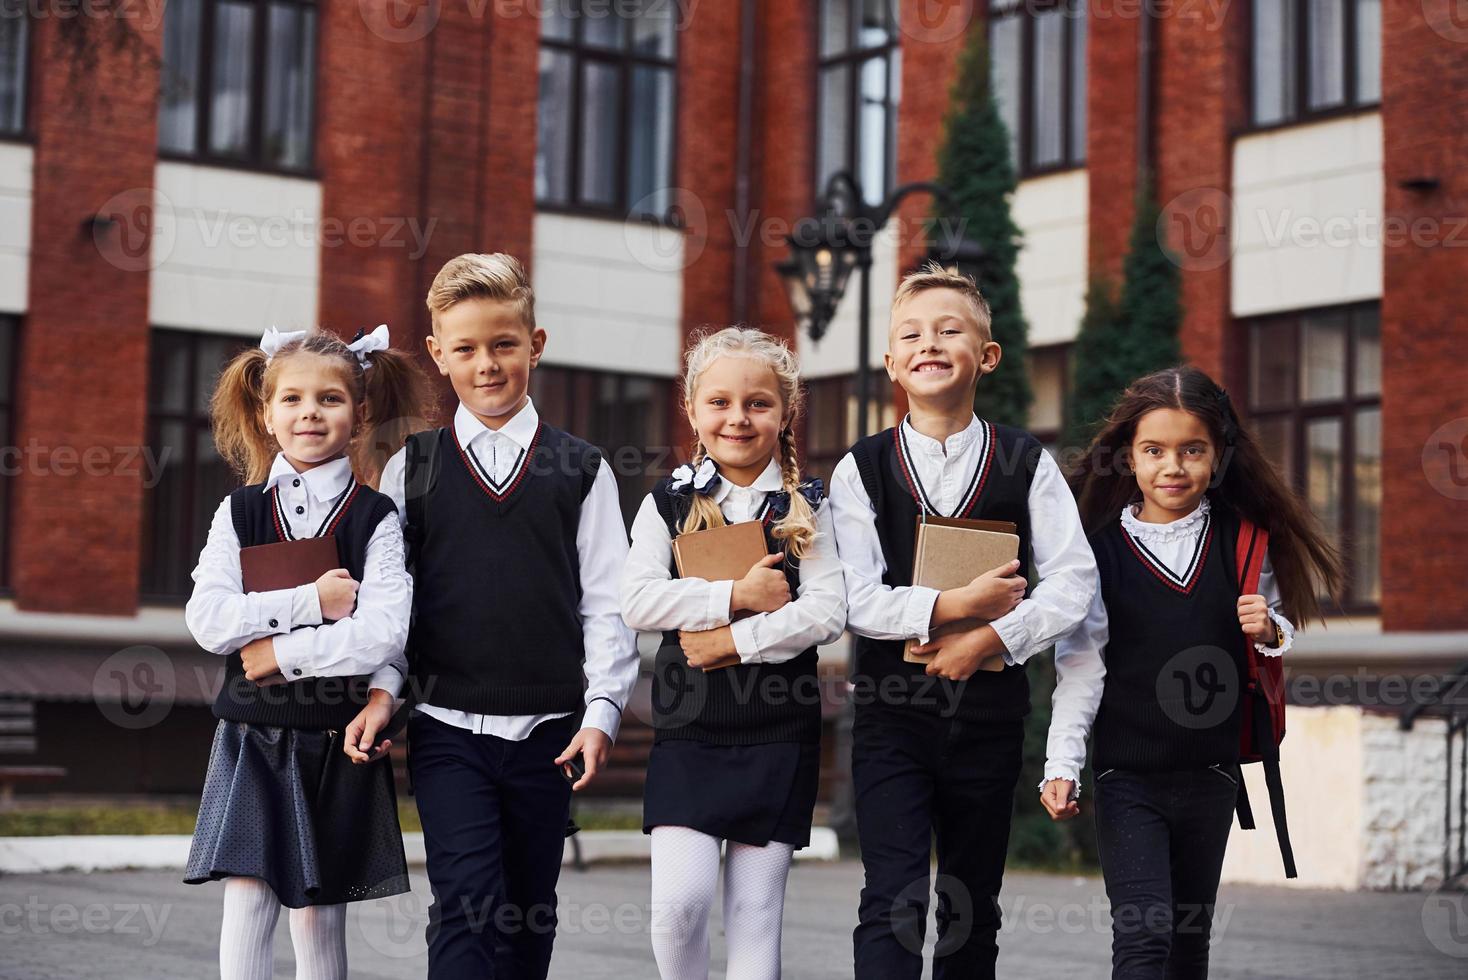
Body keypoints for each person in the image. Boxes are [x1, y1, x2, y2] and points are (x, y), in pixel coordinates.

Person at [371, 252, 639, 979]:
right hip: (447, 726)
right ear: (438, 355)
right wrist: (383, 691)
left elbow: (607, 602)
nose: (486, 364)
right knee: (464, 902)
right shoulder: (414, 469)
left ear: (536, 344)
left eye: (503, 345)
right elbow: (394, 603)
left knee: (526, 909)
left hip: (549, 732)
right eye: (465, 349)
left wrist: (601, 711)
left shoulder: (581, 468)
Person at [828, 264, 1099, 979]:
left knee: (971, 901)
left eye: (951, 330)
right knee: (893, 896)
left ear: (988, 355)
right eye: (911, 334)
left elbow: (1076, 582)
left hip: (989, 715)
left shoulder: (1025, 461)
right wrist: (956, 607)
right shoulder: (863, 470)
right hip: (892, 716)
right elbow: (852, 599)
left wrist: (993, 635)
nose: (930, 343)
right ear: (890, 362)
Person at [1064, 364, 1343, 978]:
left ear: (1218, 457)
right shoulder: (1098, 548)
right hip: (1126, 775)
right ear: (1128, 458)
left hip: (1211, 772)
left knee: (1190, 948)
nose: (1173, 466)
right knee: (1144, 942)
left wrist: (1269, 628)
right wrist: (1063, 763)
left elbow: (1275, 639)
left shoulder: (1244, 541)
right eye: (1154, 450)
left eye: (1193, 450)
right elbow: (1080, 663)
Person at [183, 325, 433, 980]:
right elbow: (209, 623)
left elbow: (384, 633)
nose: (309, 413)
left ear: (360, 413)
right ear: (266, 414)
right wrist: (310, 602)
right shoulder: (236, 512)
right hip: (254, 737)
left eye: (329, 399)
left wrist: (277, 656)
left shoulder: (375, 516)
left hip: (335, 739)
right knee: (249, 901)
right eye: (291, 400)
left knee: (319, 916)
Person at [621, 326, 846, 979]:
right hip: (690, 731)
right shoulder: (668, 500)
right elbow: (637, 602)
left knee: (754, 921)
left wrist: (732, 642)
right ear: (692, 410)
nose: (738, 418)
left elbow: (828, 612)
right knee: (679, 909)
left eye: (757, 403)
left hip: (778, 730)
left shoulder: (811, 506)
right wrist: (735, 596)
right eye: (719, 402)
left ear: (786, 411)